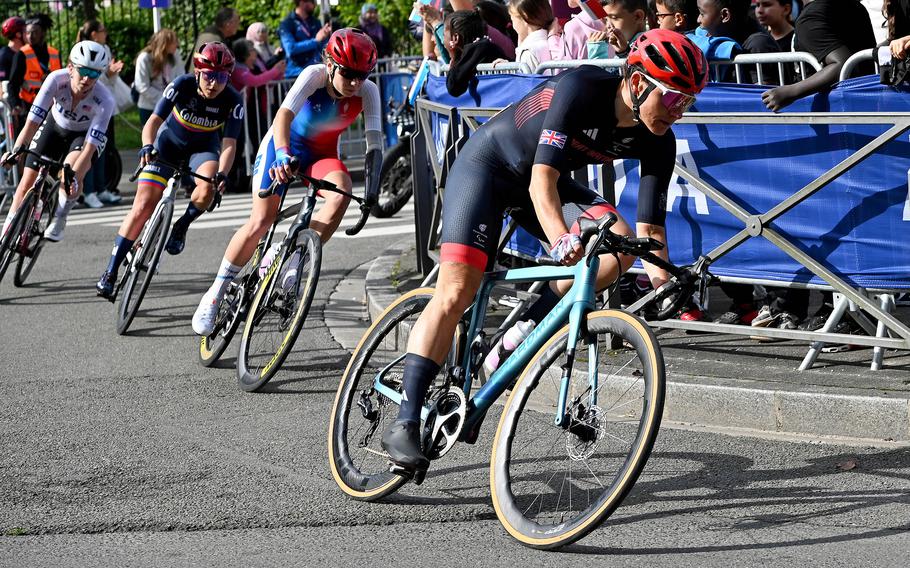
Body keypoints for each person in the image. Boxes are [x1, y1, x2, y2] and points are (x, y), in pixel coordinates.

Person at [378, 30, 707, 473]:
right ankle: (405, 420)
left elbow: (649, 230)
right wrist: (559, 240)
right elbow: (541, 183)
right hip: (489, 170)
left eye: (687, 102)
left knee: (619, 243)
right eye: (672, 100)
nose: (678, 113)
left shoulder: (657, 139)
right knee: (457, 291)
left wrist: (667, 283)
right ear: (636, 81)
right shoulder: (582, 88)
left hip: (539, 183)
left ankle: (521, 332)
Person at [190, 29, 384, 336]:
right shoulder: (313, 76)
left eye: (362, 75)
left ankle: (293, 254)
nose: (355, 83)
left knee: (342, 193)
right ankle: (215, 292)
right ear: (330, 64)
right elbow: (282, 117)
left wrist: (372, 191)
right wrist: (281, 155)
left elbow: (375, 144)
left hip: (320, 155)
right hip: (282, 148)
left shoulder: (368, 92)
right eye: (348, 74)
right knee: (261, 220)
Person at [95, 43, 243, 299]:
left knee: (207, 186)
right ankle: (110, 272)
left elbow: (229, 144)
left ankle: (181, 225)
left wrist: (223, 174)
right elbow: (153, 121)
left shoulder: (233, 100)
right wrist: (147, 146)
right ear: (198, 72)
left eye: (221, 77)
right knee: (143, 204)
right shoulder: (181, 85)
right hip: (167, 145)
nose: (214, 83)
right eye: (209, 75)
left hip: (203, 149)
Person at [0, 41, 113, 243]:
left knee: (70, 174)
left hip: (82, 137)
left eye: (94, 73)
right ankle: (6, 233)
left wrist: (75, 177)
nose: (87, 78)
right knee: (26, 182)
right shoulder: (55, 80)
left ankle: (60, 218)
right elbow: (32, 123)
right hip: (54, 126)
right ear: (70, 68)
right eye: (83, 70)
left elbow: (88, 150)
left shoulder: (104, 100)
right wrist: (17, 151)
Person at [762, 0, 876, 111]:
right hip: (868, 103)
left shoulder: (811, 18)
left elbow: (843, 64)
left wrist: (790, 92)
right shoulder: (854, 5)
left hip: (835, 111)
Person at [76, 19, 128, 209]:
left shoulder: (105, 49)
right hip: (89, 108)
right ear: (93, 34)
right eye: (102, 30)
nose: (106, 33)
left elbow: (106, 84)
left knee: (102, 148)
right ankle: (88, 191)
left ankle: (100, 188)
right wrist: (108, 75)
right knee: (89, 149)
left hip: (104, 107)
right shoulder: (83, 50)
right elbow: (88, 81)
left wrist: (110, 75)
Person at [439, 10, 508, 95]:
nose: (443, 42)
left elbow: (454, 87)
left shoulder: (478, 50)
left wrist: (454, 58)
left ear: (455, 38)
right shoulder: (482, 47)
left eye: (444, 35)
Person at [11, 14, 61, 111]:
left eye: (34, 32)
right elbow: (13, 83)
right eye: (28, 33)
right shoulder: (21, 54)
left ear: (43, 33)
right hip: (29, 105)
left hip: (52, 106)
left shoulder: (54, 53)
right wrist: (15, 105)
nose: (30, 36)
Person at [134, 28, 181, 126]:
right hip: (149, 107)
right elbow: (142, 86)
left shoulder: (175, 56)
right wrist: (165, 98)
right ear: (164, 43)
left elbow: (180, 76)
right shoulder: (144, 58)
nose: (177, 45)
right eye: (174, 42)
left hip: (170, 105)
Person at [279, 0, 333, 79]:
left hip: (315, 72)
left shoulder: (315, 22)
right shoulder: (287, 23)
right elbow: (290, 49)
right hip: (295, 74)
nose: (314, 5)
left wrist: (325, 38)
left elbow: (323, 48)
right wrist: (315, 41)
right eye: (312, 2)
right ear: (302, 2)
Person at [508, 0, 564, 71]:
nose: (513, 26)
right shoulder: (558, 42)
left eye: (512, 19)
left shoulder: (528, 52)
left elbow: (525, 81)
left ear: (525, 17)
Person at [187, 7, 240, 72]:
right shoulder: (213, 41)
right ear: (227, 24)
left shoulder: (212, 36)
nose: (238, 25)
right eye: (237, 21)